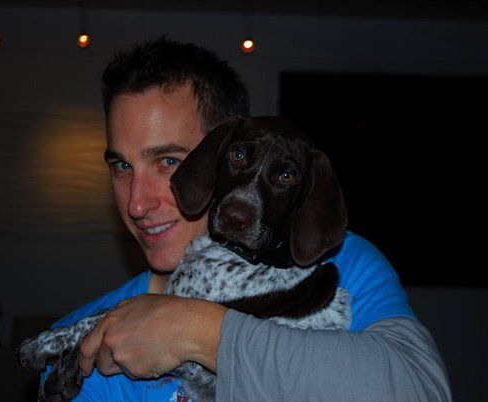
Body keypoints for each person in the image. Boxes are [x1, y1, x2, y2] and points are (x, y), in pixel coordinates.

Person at [42, 37, 451, 401]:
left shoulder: (343, 265)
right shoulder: (82, 347)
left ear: (219, 155)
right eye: (121, 166)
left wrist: (197, 330)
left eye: (169, 161)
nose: (136, 204)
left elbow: (420, 392)